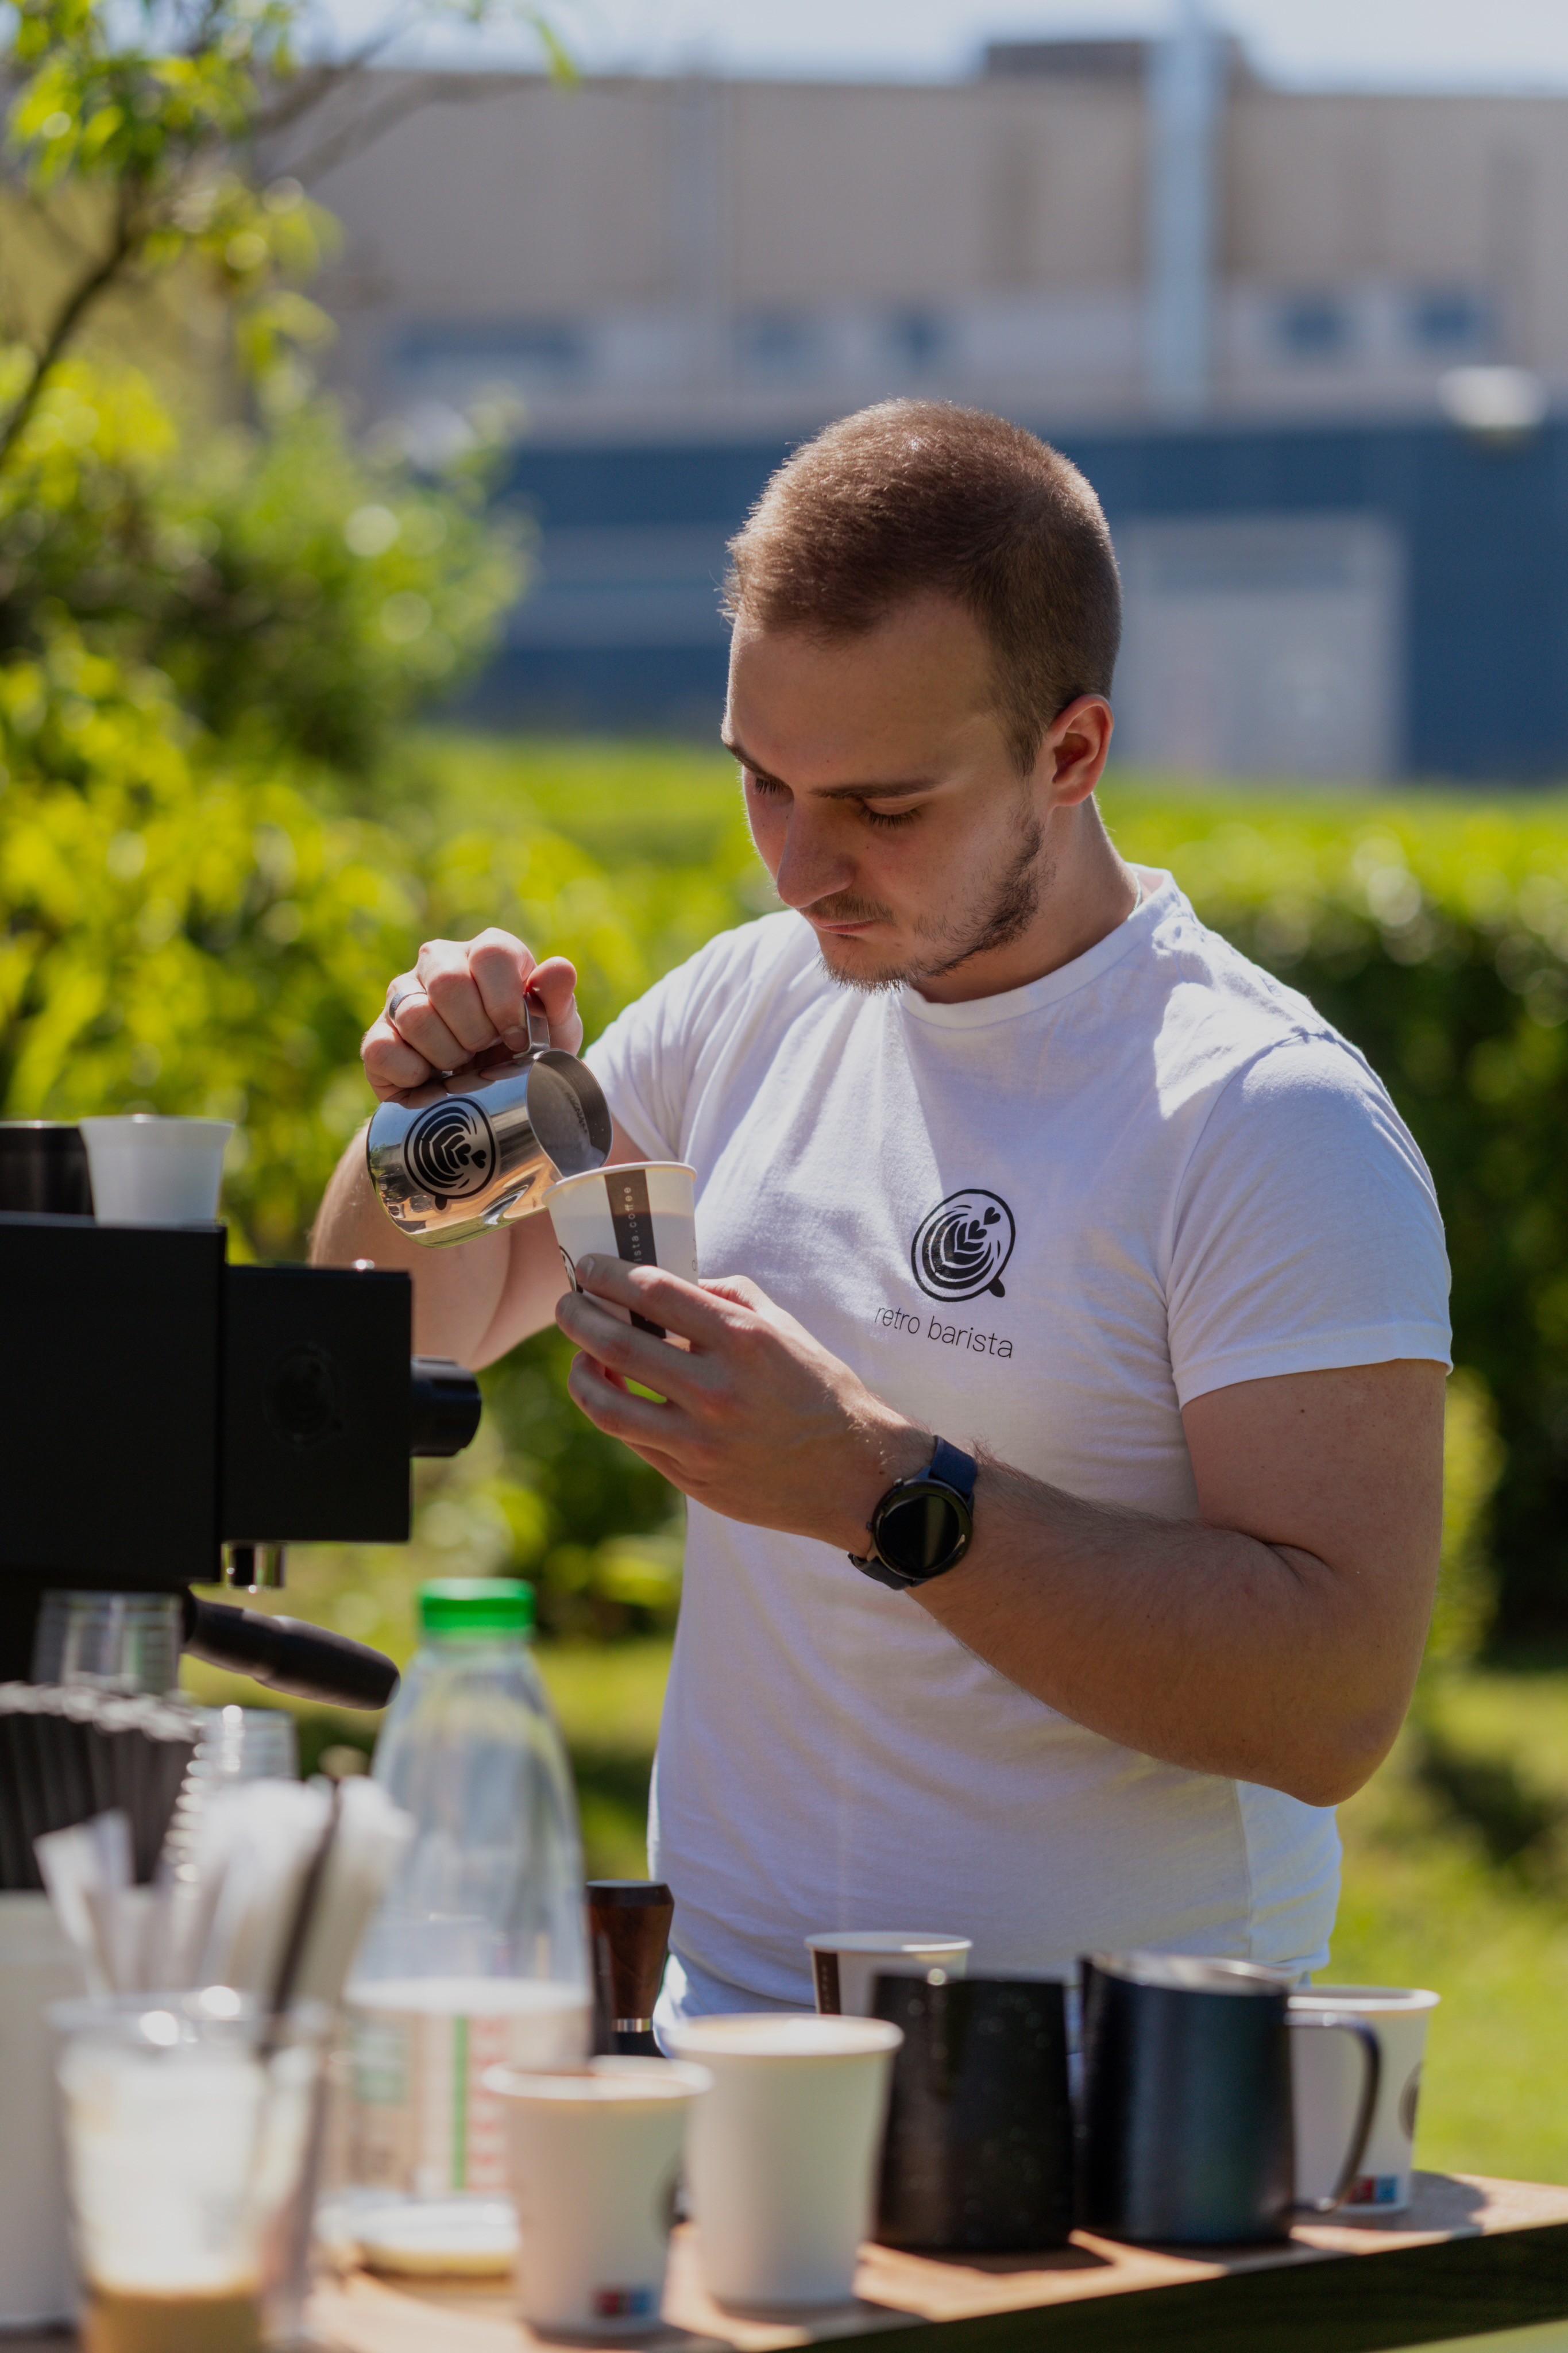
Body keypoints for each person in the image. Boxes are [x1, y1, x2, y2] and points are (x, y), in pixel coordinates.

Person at [315, 400, 1450, 2023]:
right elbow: (386, 1336)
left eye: (881, 807)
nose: (798, 866)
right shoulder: (749, 1004)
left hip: (1110, 2083)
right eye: (761, 781)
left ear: (1069, 754)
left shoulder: (1257, 1114)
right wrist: (437, 1115)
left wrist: (867, 1481)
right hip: (720, 2025)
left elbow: (1330, 1707)